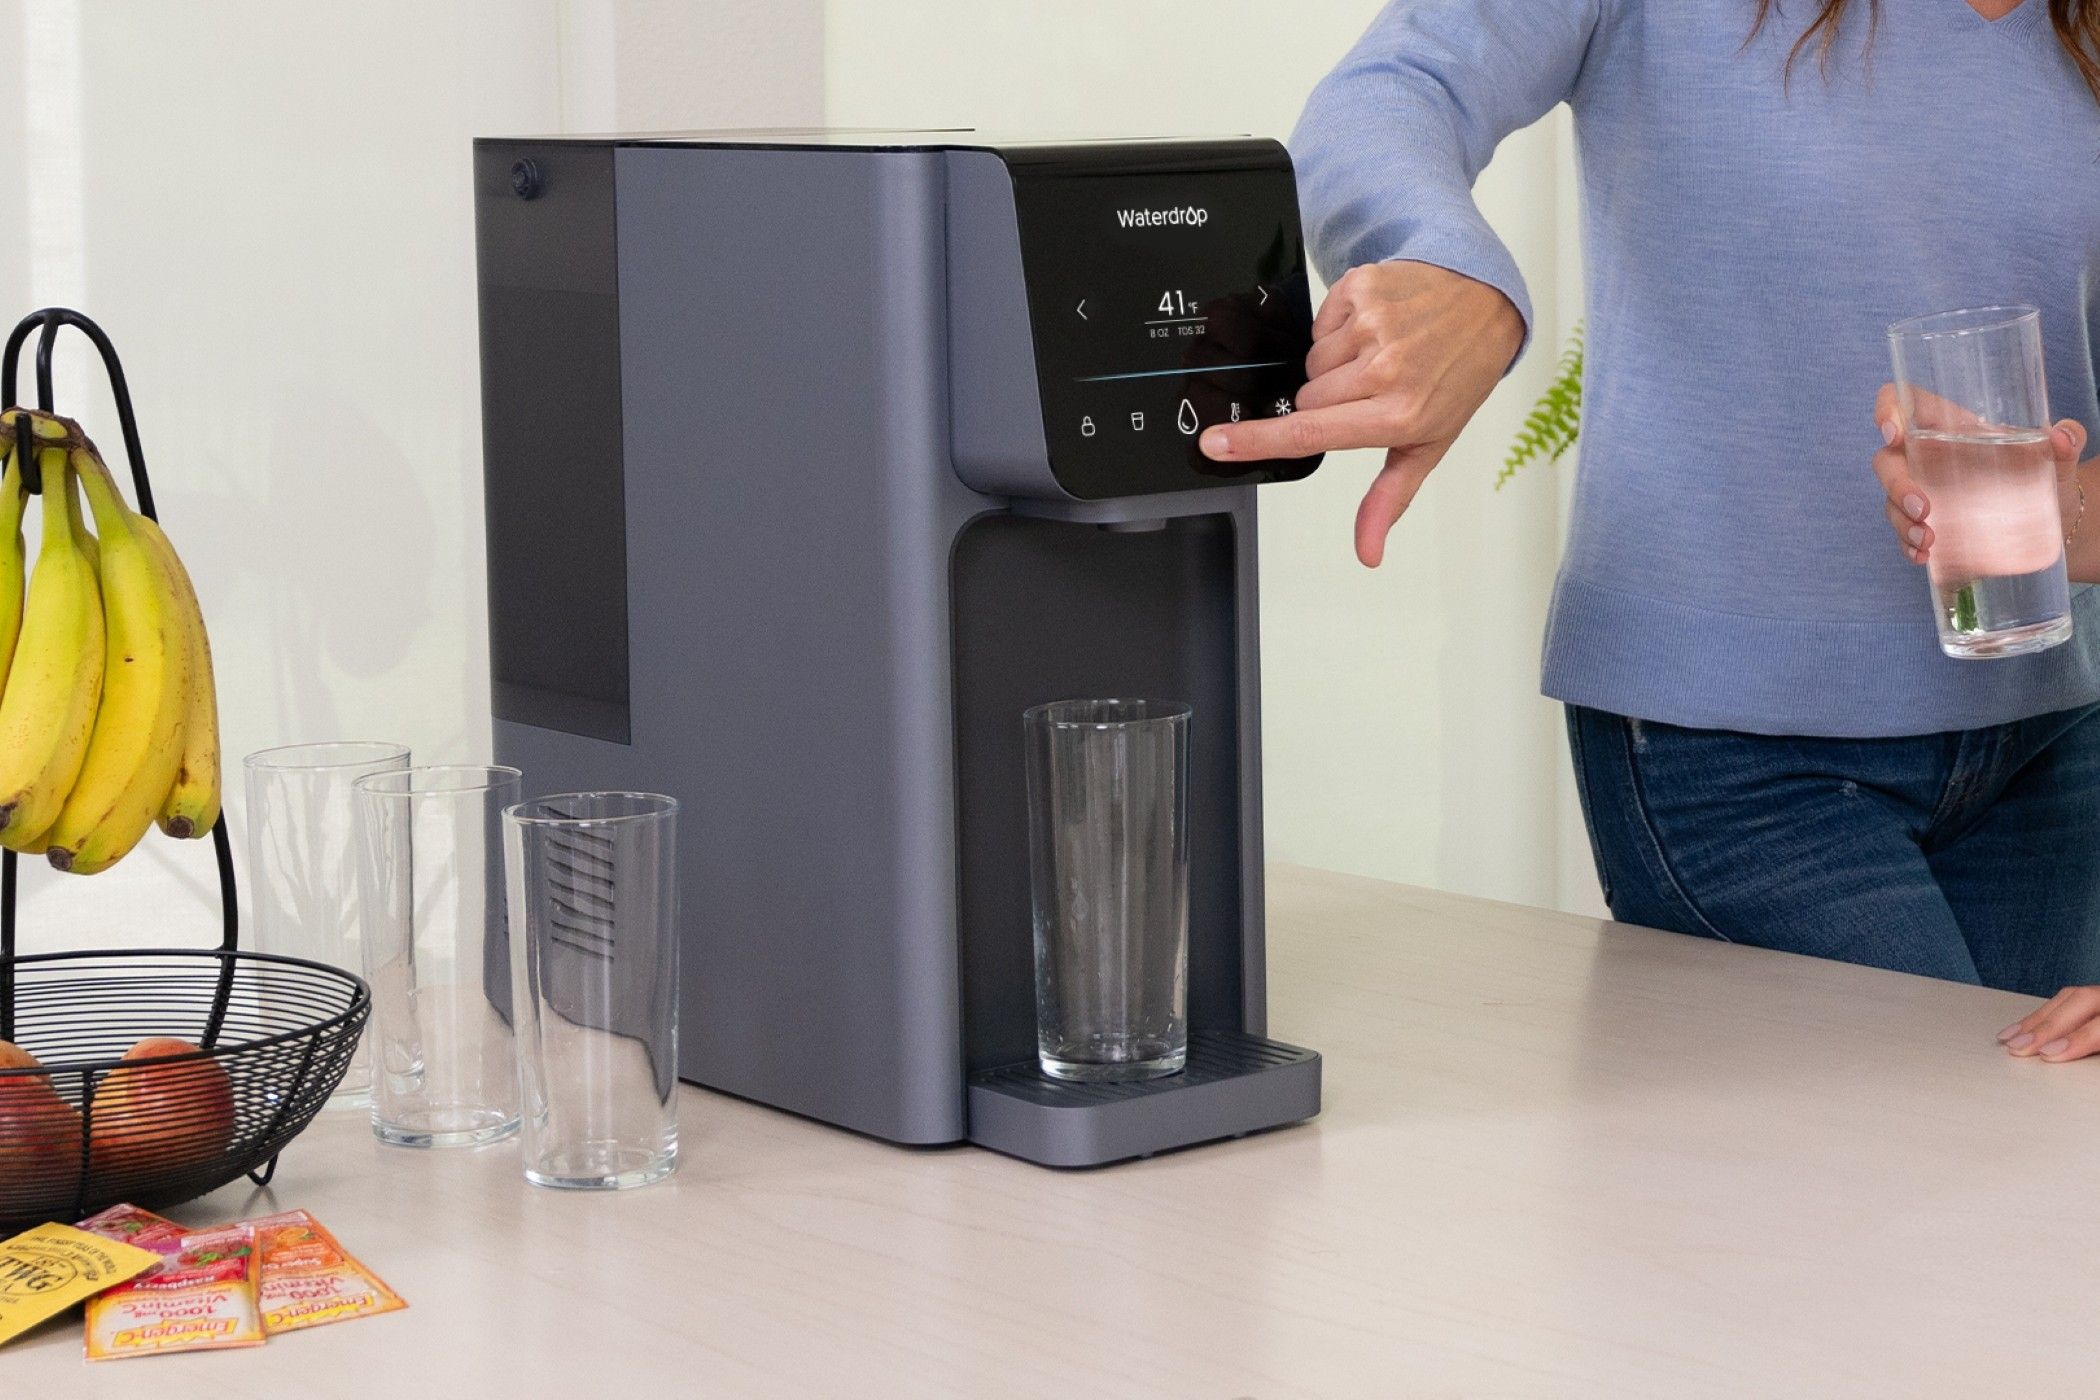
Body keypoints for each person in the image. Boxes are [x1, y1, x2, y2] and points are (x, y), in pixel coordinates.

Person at [1203, 1, 2100, 997]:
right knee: (1927, 1138)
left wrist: (2069, 513)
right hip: (1738, 761)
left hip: (2055, 738)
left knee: (2040, 1144)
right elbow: (1389, 94)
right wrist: (1448, 266)